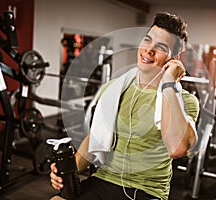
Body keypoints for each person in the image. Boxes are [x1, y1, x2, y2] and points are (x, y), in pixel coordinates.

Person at [50, 12, 199, 200]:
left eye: (160, 47)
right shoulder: (114, 89)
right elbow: (94, 138)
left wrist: (169, 82)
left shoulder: (184, 102)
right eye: (147, 40)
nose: (149, 50)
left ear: (174, 58)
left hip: (146, 191)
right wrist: (67, 172)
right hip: (104, 180)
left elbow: (178, 148)